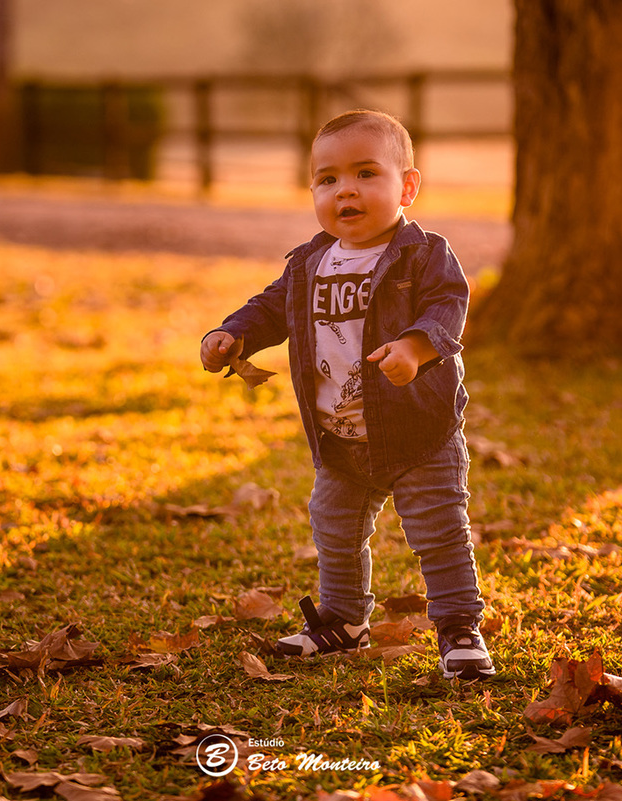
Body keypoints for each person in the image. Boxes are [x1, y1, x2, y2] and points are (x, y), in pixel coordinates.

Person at [200, 110, 494, 681]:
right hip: (339, 434)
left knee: (437, 531)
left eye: (365, 173)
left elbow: (446, 308)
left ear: (406, 186)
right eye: (328, 179)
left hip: (417, 430)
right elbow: (270, 308)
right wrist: (232, 333)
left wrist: (414, 347)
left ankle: (459, 626)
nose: (346, 190)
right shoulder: (310, 261)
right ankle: (342, 618)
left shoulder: (424, 253)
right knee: (333, 527)